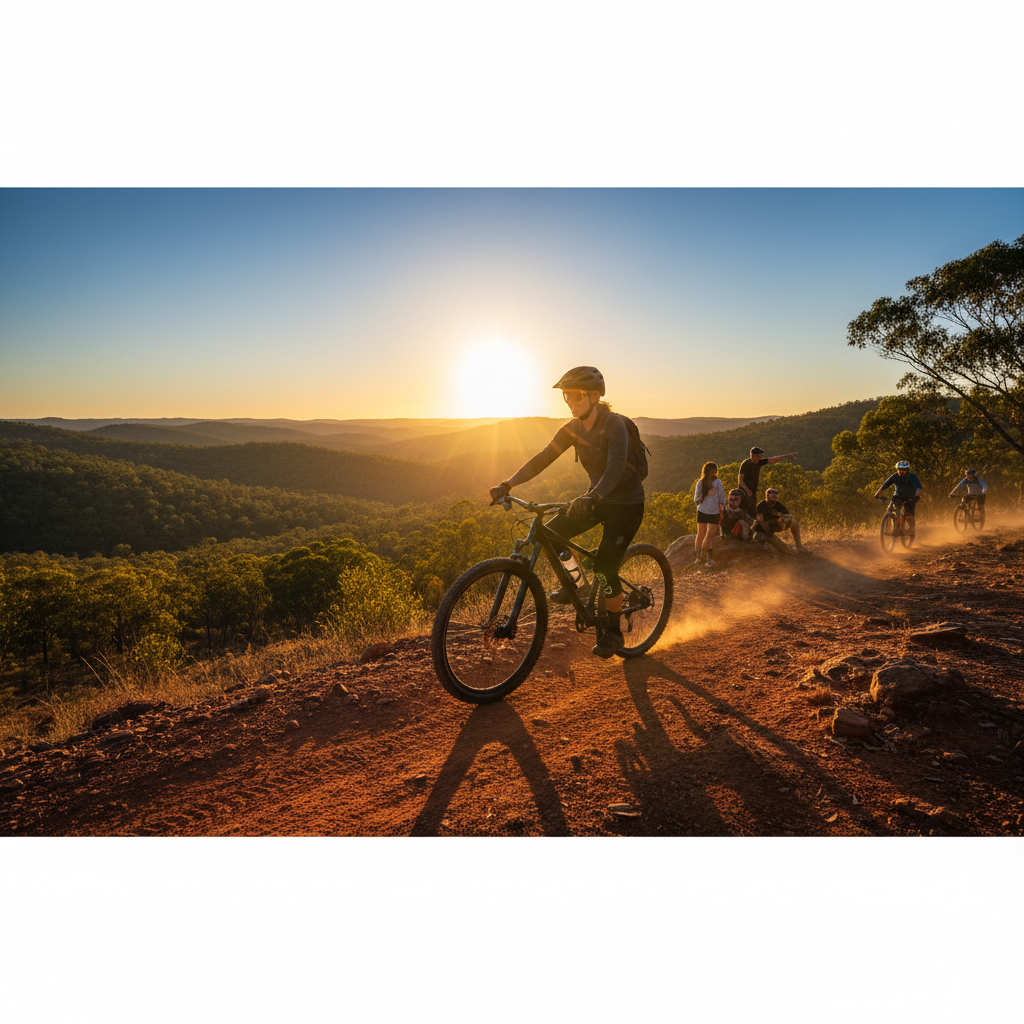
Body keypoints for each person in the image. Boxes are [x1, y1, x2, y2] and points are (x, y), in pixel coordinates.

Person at [489, 366, 645, 659]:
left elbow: (615, 465)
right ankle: (581, 586)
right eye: (566, 396)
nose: (570, 401)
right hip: (596, 498)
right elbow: (543, 458)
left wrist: (594, 495)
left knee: (606, 568)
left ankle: (613, 632)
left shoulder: (614, 425)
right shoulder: (572, 428)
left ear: (595, 396)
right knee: (553, 532)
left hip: (626, 503)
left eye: (575, 395)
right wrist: (507, 484)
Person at [738, 446, 798, 514]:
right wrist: (747, 490)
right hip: (743, 492)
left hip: (753, 491)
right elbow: (740, 480)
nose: (760, 458)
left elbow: (773, 459)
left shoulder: (759, 462)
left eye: (760, 456)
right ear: (752, 455)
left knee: (752, 512)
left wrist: (788, 456)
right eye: (758, 456)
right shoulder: (745, 464)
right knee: (743, 510)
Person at [874, 460, 924, 538]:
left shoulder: (912, 477)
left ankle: (911, 530)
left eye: (903, 470)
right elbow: (885, 485)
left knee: (908, 514)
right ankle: (896, 527)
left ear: (907, 470)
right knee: (894, 510)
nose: (901, 471)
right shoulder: (895, 476)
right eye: (899, 469)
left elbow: (919, 487)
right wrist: (877, 494)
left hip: (910, 497)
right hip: (898, 496)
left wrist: (916, 496)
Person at [756, 487, 811, 554]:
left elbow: (788, 516)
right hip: (765, 530)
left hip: (776, 526)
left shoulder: (779, 505)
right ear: (767, 495)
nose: (774, 494)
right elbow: (755, 521)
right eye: (771, 492)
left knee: (792, 521)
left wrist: (785, 518)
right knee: (781, 549)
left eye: (776, 493)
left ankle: (799, 546)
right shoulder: (761, 506)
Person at [693, 462, 726, 568]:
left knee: (710, 536)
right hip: (702, 510)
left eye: (715, 472)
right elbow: (696, 499)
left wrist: (722, 508)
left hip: (715, 512)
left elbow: (722, 497)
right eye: (712, 472)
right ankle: (699, 557)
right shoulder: (700, 483)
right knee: (700, 534)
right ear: (706, 472)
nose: (714, 474)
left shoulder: (718, 482)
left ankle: (707, 558)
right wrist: (704, 495)